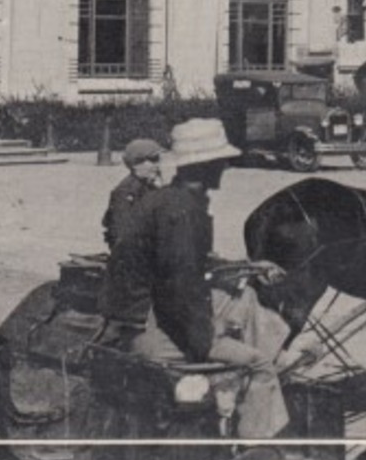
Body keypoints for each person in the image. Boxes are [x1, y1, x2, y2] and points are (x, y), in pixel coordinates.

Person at [100, 119, 290, 438]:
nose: (226, 167)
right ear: (204, 166)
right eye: (221, 161)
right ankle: (257, 447)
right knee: (260, 366)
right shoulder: (183, 212)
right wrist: (207, 335)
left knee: (244, 299)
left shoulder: (168, 199)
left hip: (139, 314)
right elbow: (179, 285)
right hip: (152, 327)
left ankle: (271, 364)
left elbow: (183, 269)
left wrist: (246, 267)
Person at [102, 138, 163, 250]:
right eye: (154, 160)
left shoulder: (150, 186)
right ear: (136, 164)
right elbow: (122, 234)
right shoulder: (126, 192)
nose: (158, 165)